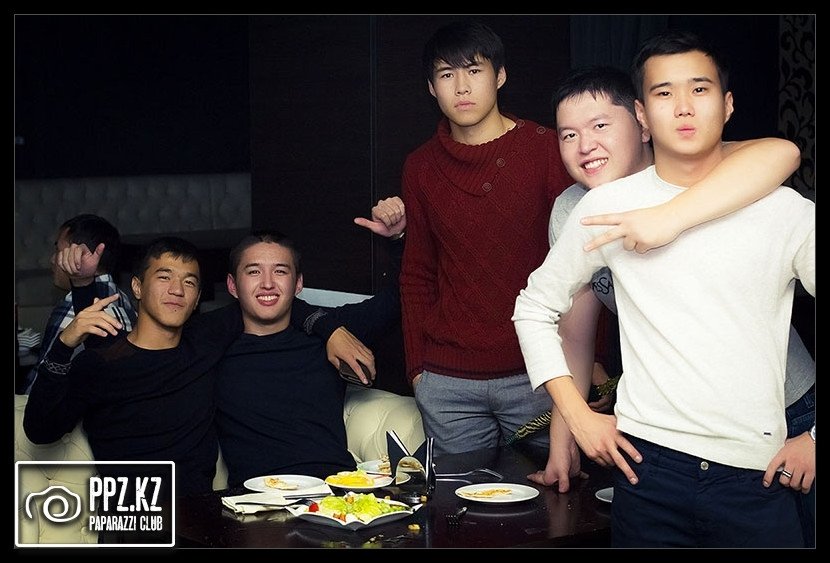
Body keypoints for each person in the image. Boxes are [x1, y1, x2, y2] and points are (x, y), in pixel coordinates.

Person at [513, 31, 814, 547]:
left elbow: (783, 152)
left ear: (728, 105)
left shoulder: (781, 209)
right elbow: (539, 310)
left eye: (699, 89)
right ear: (644, 113)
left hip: (761, 463)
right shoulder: (597, 207)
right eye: (663, 93)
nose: (683, 106)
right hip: (648, 468)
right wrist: (578, 420)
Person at [23, 236, 372, 498]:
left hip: (203, 515)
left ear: (196, 299)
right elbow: (40, 431)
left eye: (189, 282)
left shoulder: (205, 343)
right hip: (134, 516)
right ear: (137, 287)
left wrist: (329, 329)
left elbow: (270, 298)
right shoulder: (102, 363)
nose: (177, 290)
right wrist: (65, 342)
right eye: (164, 277)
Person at [399, 19, 572, 456]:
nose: (461, 87)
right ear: (431, 87)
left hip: (538, 372)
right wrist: (418, 368)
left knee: (556, 493)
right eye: (447, 74)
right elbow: (418, 272)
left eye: (474, 70)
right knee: (456, 497)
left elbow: (581, 262)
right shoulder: (420, 166)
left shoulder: (546, 149)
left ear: (500, 76)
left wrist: (588, 366)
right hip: (447, 381)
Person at [214, 197, 406, 486]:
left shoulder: (334, 332)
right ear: (232, 285)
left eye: (280, 271)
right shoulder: (212, 344)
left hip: (335, 493)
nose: (268, 283)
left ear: (298, 283)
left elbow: (402, 297)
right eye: (253, 271)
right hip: (255, 501)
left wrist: (397, 240)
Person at [22, 214, 137, 394]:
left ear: (78, 255)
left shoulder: (75, 308)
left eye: (58, 251)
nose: (53, 260)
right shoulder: (121, 297)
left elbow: (40, 386)